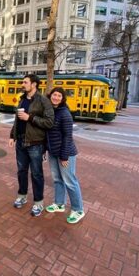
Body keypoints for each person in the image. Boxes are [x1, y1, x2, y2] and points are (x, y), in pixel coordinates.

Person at [9, 74, 54, 217]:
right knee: (21, 171)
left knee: (36, 174)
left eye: (25, 82)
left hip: (35, 144)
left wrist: (30, 118)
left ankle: (38, 203)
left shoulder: (43, 101)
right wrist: (12, 135)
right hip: (21, 142)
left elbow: (49, 122)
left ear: (34, 84)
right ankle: (22, 196)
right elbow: (17, 120)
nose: (23, 84)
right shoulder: (22, 99)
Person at [45, 87, 85, 224]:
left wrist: (64, 156)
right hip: (53, 152)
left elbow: (68, 136)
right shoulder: (50, 111)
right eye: (54, 95)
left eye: (59, 96)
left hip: (65, 153)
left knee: (70, 181)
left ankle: (78, 209)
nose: (56, 97)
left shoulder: (64, 114)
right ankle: (59, 204)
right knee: (57, 179)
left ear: (62, 99)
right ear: (50, 96)